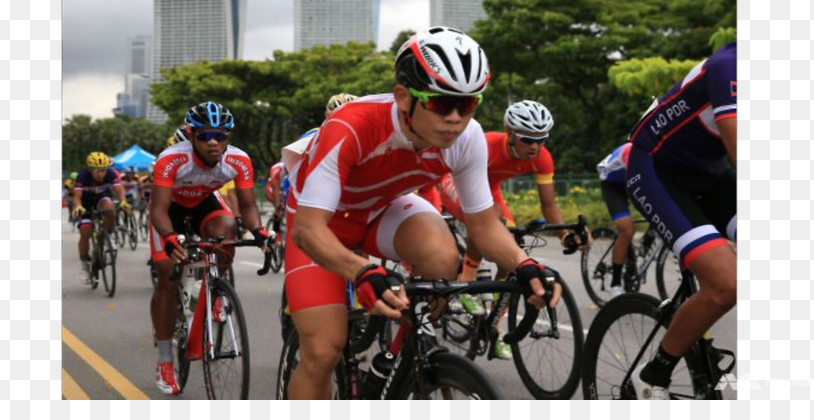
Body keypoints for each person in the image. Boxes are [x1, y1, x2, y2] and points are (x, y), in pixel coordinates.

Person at [284, 26, 562, 399]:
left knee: (442, 257)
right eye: (440, 103)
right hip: (322, 224)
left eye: (467, 105)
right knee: (322, 352)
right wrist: (361, 270)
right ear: (403, 97)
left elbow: (482, 225)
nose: (454, 118)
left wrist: (524, 264)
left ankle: (396, 359)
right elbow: (308, 228)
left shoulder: (467, 139)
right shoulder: (352, 124)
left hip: (381, 210)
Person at [626, 42, 736, 400]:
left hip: (711, 173)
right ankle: (653, 373)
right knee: (727, 285)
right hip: (657, 169)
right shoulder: (729, 67)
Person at [438, 99, 582, 359]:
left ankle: (494, 322)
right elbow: (474, 198)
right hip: (456, 182)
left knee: (513, 246)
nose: (535, 147)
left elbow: (548, 205)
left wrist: (565, 235)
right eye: (528, 139)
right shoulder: (488, 143)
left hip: (491, 193)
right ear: (510, 133)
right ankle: (466, 280)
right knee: (488, 219)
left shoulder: (542, 159)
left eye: (542, 140)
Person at [149, 102, 267, 395]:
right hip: (170, 211)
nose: (213, 142)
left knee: (226, 231)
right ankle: (165, 359)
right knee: (167, 274)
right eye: (204, 135)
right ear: (191, 135)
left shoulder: (239, 160)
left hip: (204, 204)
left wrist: (262, 233)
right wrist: (169, 237)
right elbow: (158, 210)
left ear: (228, 136)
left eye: (220, 135)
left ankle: (215, 286)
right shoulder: (172, 159)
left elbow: (249, 208)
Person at [71, 152, 130, 284]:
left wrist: (123, 202)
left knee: (110, 208)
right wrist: (78, 207)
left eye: (103, 170)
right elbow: (76, 197)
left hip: (102, 199)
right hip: (85, 203)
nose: (100, 174)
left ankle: (109, 235)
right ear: (90, 170)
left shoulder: (111, 173)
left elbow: (119, 190)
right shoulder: (82, 176)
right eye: (97, 171)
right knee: (85, 232)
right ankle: (85, 266)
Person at [596, 142, 634, 299]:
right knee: (626, 229)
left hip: (631, 178)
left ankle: (644, 244)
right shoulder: (633, 151)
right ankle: (615, 283)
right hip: (612, 183)